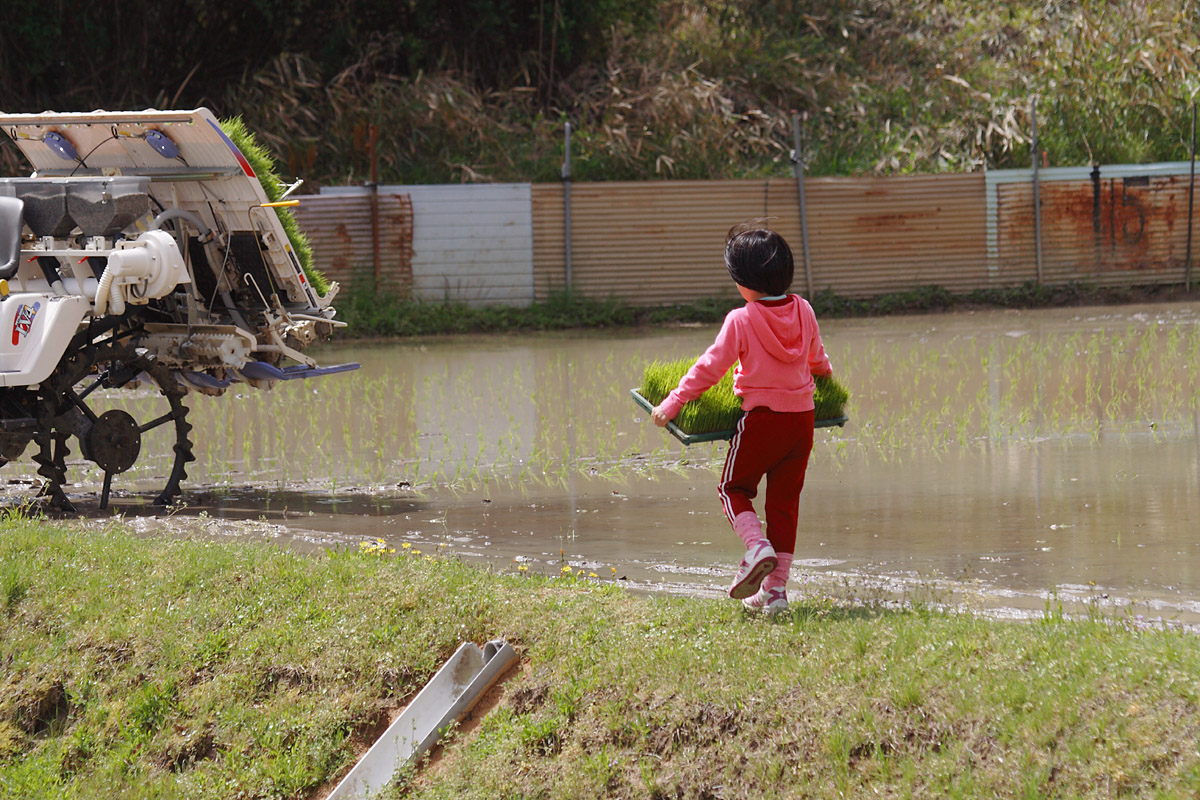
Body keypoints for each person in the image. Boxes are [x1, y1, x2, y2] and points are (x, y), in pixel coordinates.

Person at [651, 223, 833, 614]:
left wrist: (675, 401)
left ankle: (756, 547)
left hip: (762, 422)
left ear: (743, 282)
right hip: (801, 422)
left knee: (732, 488)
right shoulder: (804, 309)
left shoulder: (742, 319)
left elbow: (710, 367)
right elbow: (818, 359)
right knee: (784, 504)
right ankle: (776, 593)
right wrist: (828, 380)